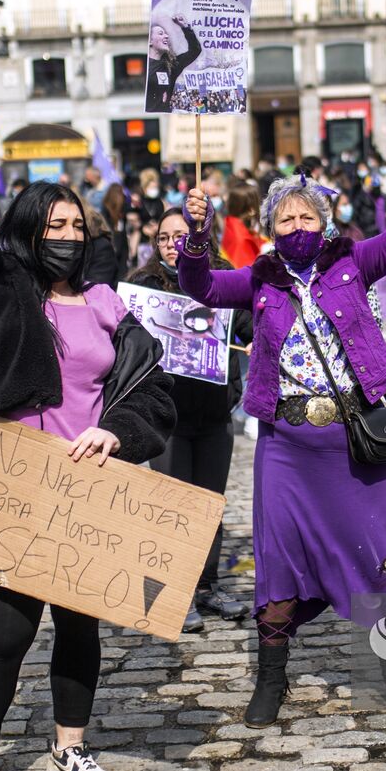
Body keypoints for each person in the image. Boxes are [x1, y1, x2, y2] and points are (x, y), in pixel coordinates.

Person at [0, 110, 176, 771]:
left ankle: (69, 749)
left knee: (79, 625)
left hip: (88, 488)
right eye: (55, 226)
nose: (68, 237)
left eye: (78, 226)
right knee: (5, 633)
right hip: (16, 483)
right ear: (28, 228)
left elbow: (148, 391)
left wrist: (117, 434)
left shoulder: (105, 302)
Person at [178, 128, 386, 730]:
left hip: (352, 442)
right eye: (284, 217)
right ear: (271, 227)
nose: (296, 224)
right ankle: (272, 678)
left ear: (324, 219)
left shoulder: (354, 259)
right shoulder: (260, 279)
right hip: (286, 446)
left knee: (380, 552)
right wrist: (199, 236)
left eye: (306, 214)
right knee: (277, 558)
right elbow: (202, 287)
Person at [129, 210, 251, 633]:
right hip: (168, 419)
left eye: (179, 234)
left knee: (209, 505)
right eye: (163, 237)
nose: (170, 243)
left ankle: (207, 586)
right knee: (173, 509)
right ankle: (174, 594)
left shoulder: (222, 276)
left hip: (215, 413)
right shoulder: (142, 286)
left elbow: (249, 325)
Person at [145, 16, 202, 113]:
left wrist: (186, 28)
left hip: (163, 118)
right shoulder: (144, 64)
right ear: (150, 41)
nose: (166, 36)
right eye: (160, 33)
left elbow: (195, 50)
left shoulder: (172, 65)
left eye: (166, 34)